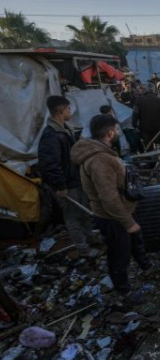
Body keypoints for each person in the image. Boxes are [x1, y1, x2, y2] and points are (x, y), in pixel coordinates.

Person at [71, 114, 152, 304]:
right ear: (110, 132)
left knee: (134, 242)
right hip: (113, 217)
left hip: (123, 211)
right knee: (119, 255)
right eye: (116, 130)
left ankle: (146, 266)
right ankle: (124, 291)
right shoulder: (100, 160)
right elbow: (108, 198)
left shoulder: (103, 152)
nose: (117, 133)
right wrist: (128, 222)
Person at [38, 96, 97, 258]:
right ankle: (84, 249)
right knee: (73, 218)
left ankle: (90, 240)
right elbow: (50, 164)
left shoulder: (64, 129)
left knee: (85, 213)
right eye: (68, 109)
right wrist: (60, 186)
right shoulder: (51, 135)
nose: (70, 112)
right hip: (67, 185)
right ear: (61, 110)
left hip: (76, 180)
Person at [132, 83, 160, 147]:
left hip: (144, 128)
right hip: (158, 128)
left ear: (145, 90)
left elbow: (135, 114)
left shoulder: (139, 101)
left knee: (148, 147)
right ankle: (159, 155)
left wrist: (134, 125)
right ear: (154, 90)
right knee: (159, 146)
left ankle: (148, 156)